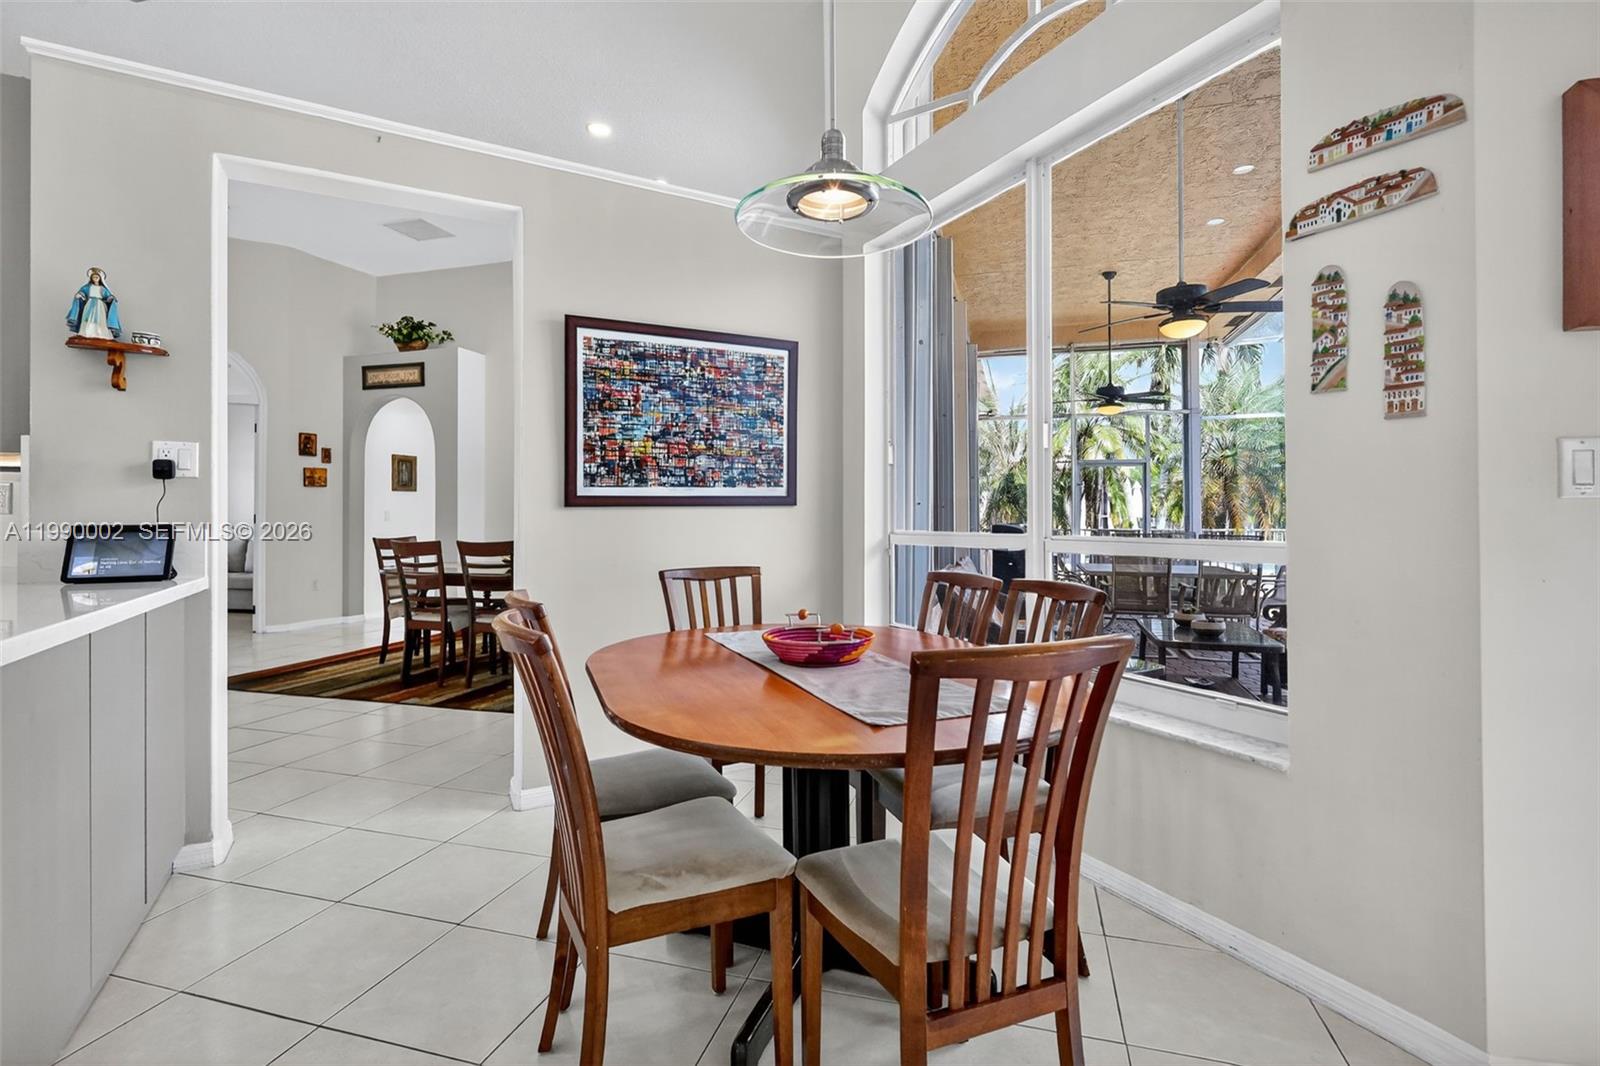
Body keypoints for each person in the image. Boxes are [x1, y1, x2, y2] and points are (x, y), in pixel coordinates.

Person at [66, 266, 121, 340]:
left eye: (97, 277)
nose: (95, 279)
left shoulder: (102, 289)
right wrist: (79, 295)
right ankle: (86, 332)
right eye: (94, 277)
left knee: (100, 319)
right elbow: (82, 292)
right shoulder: (88, 287)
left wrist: (111, 298)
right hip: (89, 305)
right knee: (88, 318)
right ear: (91, 278)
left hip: (100, 306)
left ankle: (100, 333)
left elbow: (107, 296)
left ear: (100, 278)